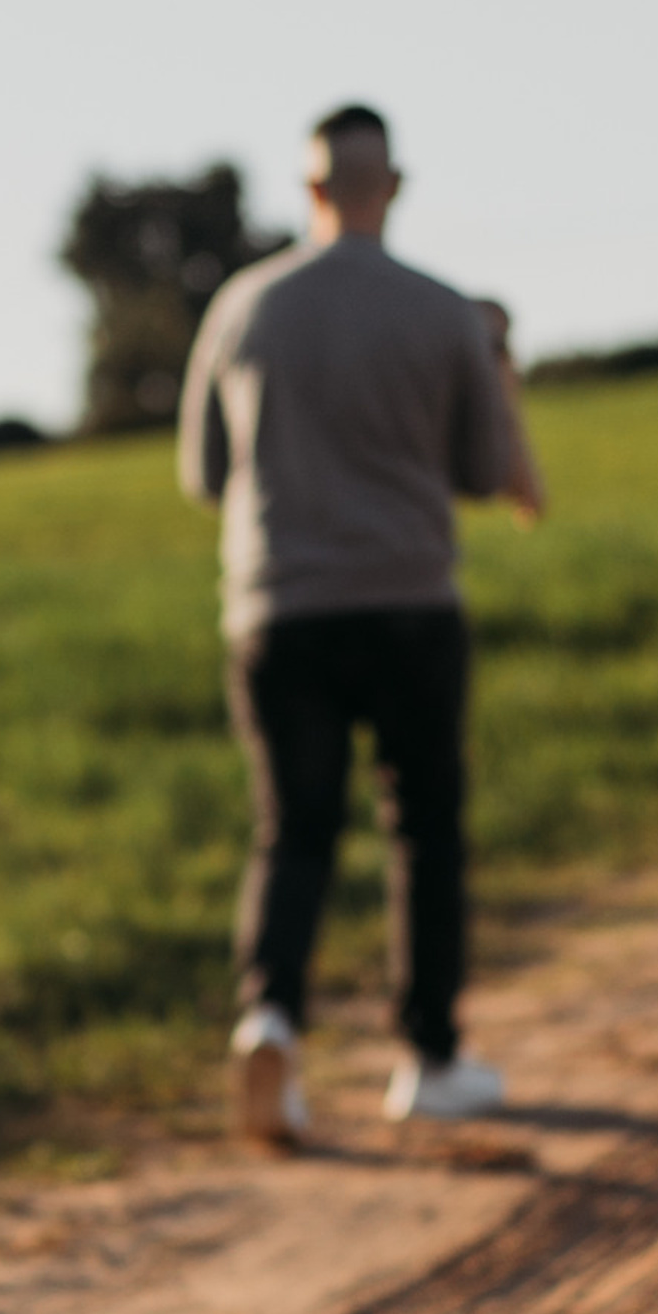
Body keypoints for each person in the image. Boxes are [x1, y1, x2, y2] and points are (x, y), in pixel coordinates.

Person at [178, 101, 546, 1142]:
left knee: (291, 832)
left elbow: (203, 477)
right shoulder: (440, 314)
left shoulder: (240, 311)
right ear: (392, 187)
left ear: (308, 190)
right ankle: (428, 1056)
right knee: (422, 829)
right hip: (409, 605)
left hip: (275, 609)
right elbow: (484, 473)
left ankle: (272, 1020)